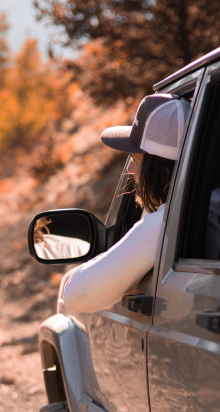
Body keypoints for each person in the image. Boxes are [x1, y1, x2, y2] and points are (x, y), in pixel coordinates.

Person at [62, 94, 191, 314]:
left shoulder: (167, 223)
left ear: (163, 170)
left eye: (136, 158)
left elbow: (75, 295)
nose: (130, 169)